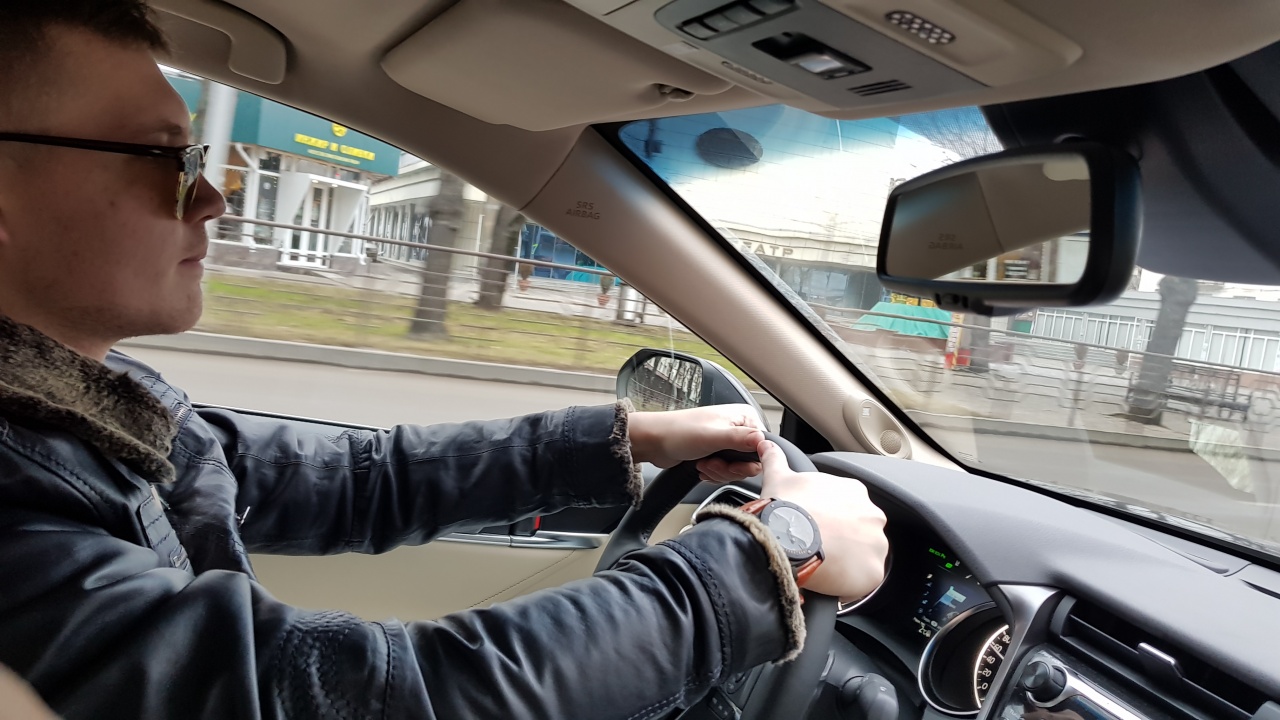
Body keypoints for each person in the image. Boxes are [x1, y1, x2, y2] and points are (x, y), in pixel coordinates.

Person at [0, 2, 890, 719]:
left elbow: (353, 479)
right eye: (162, 158)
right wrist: (774, 558)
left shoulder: (92, 411)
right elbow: (360, 696)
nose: (211, 196)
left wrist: (633, 439)